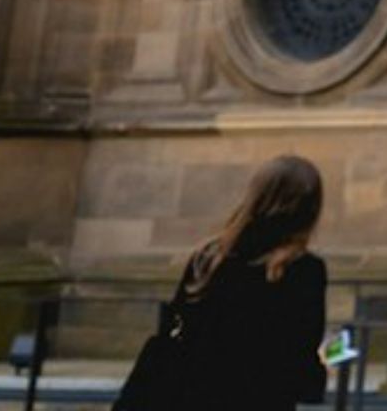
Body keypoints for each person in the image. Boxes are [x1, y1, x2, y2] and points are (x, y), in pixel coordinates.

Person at [119, 154, 337, 410]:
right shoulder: (303, 271)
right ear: (310, 211)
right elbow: (295, 359)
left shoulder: (209, 259)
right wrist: (324, 366)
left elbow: (175, 333)